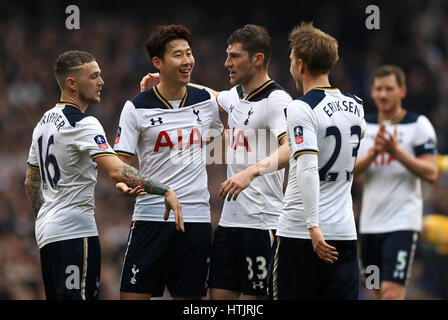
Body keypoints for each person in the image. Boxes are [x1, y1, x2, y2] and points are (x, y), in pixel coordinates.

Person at [140, 24, 291, 300]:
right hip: (228, 225)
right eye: (227, 55)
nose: (227, 63)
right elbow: (212, 93)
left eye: (234, 56)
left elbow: (290, 148)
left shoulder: (276, 100)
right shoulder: (235, 96)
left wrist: (251, 172)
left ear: (257, 59)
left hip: (262, 222)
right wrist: (163, 79)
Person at [24, 50, 183, 300]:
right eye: (94, 76)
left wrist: (46, 219)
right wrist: (163, 190)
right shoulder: (83, 123)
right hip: (75, 232)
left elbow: (31, 182)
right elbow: (117, 170)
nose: (101, 82)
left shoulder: (42, 123)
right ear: (72, 83)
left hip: (48, 235)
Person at [114, 25, 223, 300]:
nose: (187, 61)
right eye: (178, 55)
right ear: (158, 62)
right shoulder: (136, 107)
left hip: (195, 220)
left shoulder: (206, 101)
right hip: (151, 217)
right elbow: (120, 165)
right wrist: (132, 184)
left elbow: (212, 136)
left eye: (189, 53)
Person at [273, 22, 365, 300]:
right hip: (344, 233)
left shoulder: (300, 107)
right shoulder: (358, 105)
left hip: (302, 233)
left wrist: (313, 227)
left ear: (300, 64)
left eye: (290, 59)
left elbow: (308, 168)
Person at [355, 65, 438, 300]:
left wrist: (396, 152)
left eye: (389, 89)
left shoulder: (418, 125)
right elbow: (350, 171)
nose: (383, 94)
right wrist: (373, 154)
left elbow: (431, 172)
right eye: (379, 89)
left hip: (402, 222)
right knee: (376, 292)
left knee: (392, 294)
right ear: (371, 91)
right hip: (370, 224)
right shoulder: (365, 127)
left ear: (402, 91)